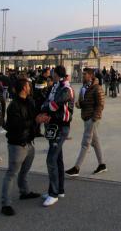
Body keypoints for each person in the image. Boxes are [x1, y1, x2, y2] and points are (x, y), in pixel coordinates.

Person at [1, 76, 41, 216]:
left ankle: (24, 192)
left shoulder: (29, 102)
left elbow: (34, 115)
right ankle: (5, 204)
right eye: (28, 86)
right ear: (24, 88)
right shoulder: (14, 106)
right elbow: (17, 125)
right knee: (11, 173)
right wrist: (35, 120)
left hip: (29, 142)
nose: (30, 88)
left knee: (24, 171)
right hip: (17, 144)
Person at [37, 65, 74, 207]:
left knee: (51, 159)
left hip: (61, 126)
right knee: (58, 158)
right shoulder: (56, 87)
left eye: (53, 73)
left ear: (57, 74)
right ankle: (59, 190)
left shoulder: (66, 89)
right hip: (54, 125)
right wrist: (44, 107)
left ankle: (54, 193)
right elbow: (47, 100)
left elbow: (54, 105)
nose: (51, 75)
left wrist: (44, 110)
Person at [66, 68, 106, 177]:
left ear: (91, 76)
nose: (82, 76)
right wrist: (79, 104)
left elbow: (101, 104)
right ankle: (102, 164)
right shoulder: (84, 87)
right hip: (86, 117)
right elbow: (83, 102)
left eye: (84, 74)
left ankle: (76, 167)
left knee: (85, 143)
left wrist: (94, 118)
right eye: (82, 74)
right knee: (95, 142)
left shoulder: (97, 88)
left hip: (92, 118)